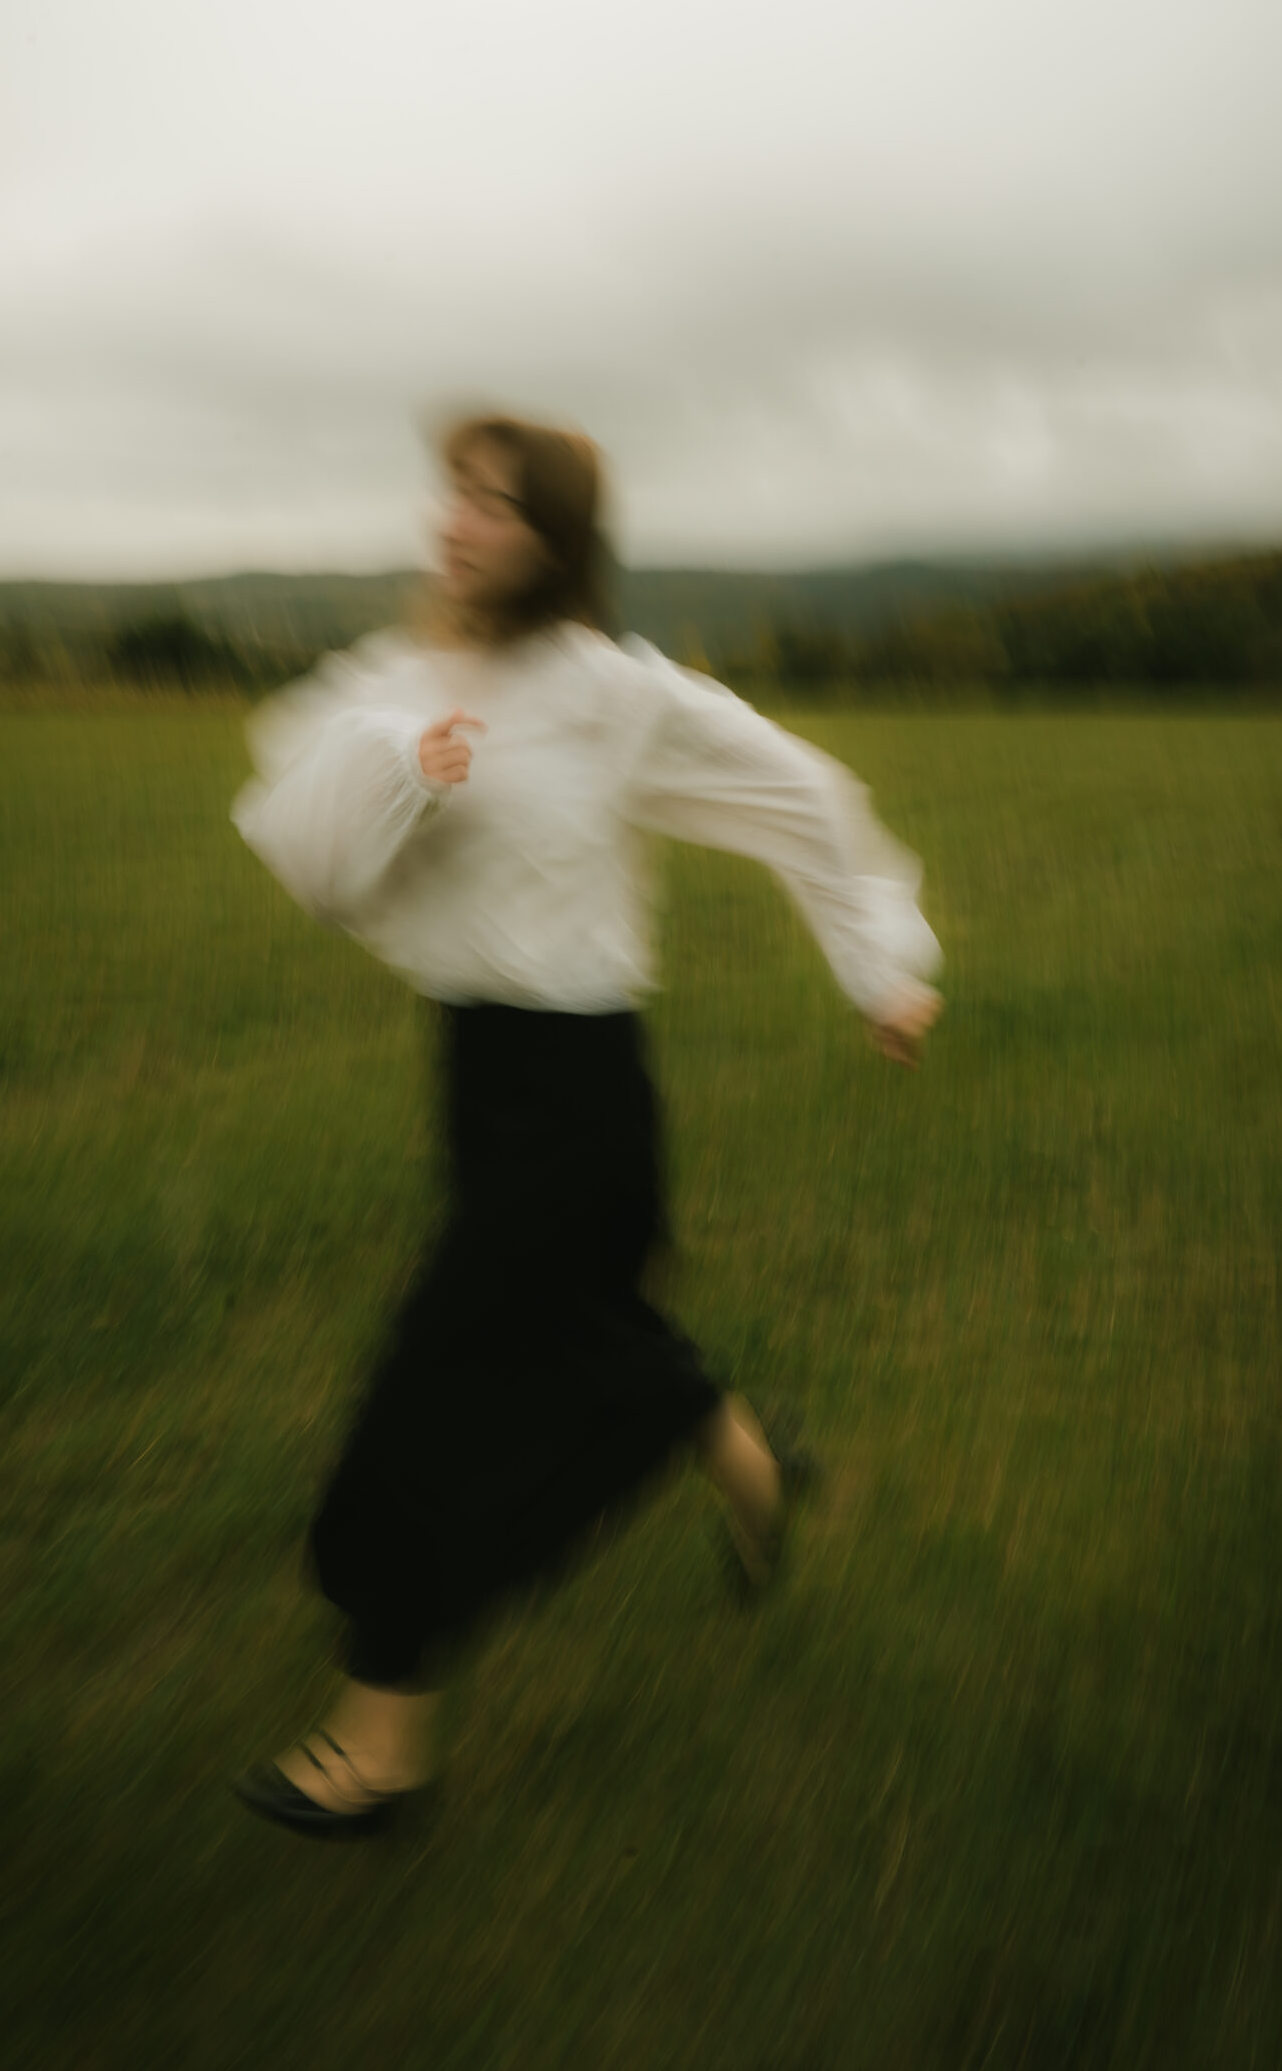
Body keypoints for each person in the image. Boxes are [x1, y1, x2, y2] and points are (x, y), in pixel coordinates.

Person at [228, 410, 942, 1839]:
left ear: (553, 543)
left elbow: (794, 790)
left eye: (495, 505)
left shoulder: (609, 693)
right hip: (478, 1079)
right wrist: (396, 763)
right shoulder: (399, 676)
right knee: (580, 1335)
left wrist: (883, 960)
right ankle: (740, 1450)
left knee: (430, 1406)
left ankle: (381, 1748)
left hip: (580, 1096)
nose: (457, 523)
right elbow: (303, 842)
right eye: (455, 495)